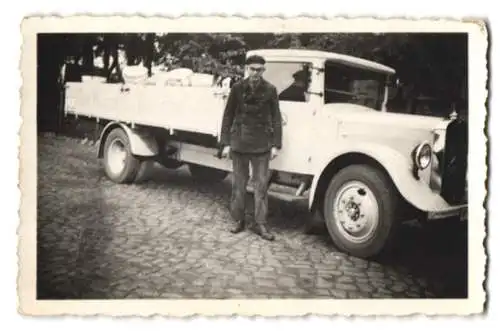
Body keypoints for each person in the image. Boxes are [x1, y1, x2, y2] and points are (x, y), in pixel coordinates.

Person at [220, 55, 283, 241]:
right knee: (239, 185)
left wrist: (276, 145)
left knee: (261, 186)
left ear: (264, 70)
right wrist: (225, 143)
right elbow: (228, 116)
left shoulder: (271, 90)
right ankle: (238, 220)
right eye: (253, 69)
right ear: (247, 68)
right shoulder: (237, 88)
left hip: (262, 144)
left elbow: (277, 118)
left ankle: (260, 224)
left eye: (259, 70)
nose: (256, 73)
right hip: (239, 143)